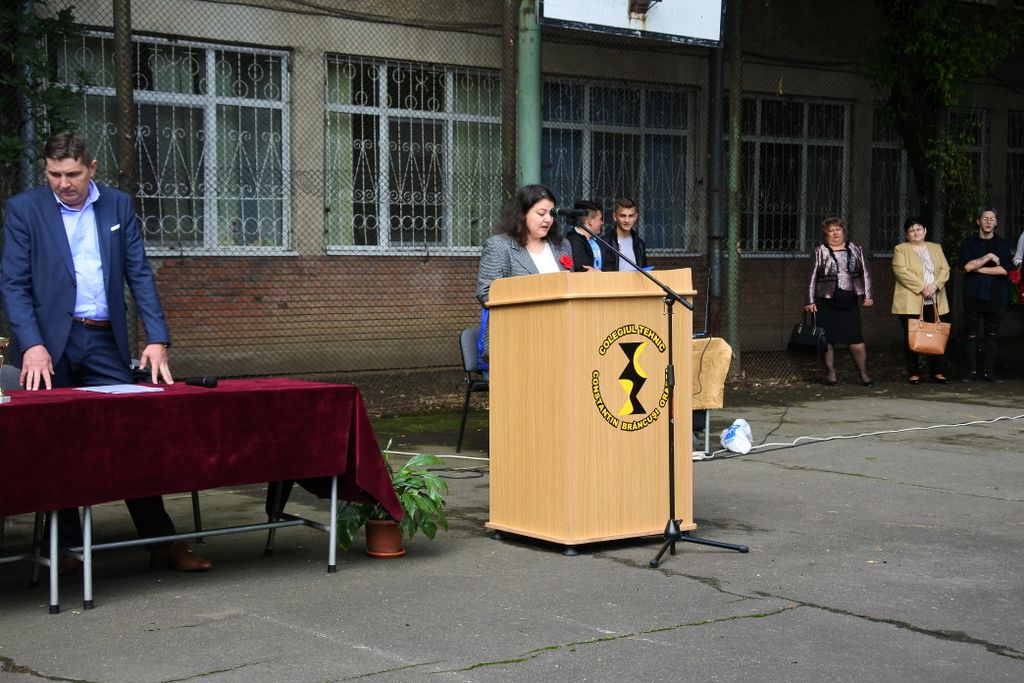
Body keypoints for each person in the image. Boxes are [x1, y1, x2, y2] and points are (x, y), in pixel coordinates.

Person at [1, 131, 211, 572]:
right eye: (54, 174)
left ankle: (161, 542)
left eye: (72, 174)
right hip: (46, 348)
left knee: (130, 438)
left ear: (92, 168)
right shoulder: (24, 209)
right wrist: (33, 345)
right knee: (54, 443)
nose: (63, 183)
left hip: (103, 341)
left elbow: (139, 272)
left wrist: (157, 338)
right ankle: (65, 550)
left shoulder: (117, 205)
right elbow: (13, 284)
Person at [475, 184, 573, 361]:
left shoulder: (562, 245)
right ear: (523, 213)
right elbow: (486, 293)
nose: (548, 219)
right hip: (514, 341)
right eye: (541, 213)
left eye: (551, 213)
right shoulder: (499, 246)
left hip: (560, 339)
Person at [805, 217, 874, 386]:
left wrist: (868, 295)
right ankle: (831, 372)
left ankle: (864, 373)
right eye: (831, 230)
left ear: (843, 231)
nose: (835, 233)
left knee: (856, 339)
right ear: (826, 233)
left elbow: (865, 272)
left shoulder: (856, 249)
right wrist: (809, 300)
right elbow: (812, 277)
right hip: (825, 302)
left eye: (838, 229)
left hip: (849, 302)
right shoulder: (819, 251)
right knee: (826, 340)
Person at [891, 219, 951, 384]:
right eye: (912, 230)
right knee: (912, 336)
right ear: (907, 234)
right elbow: (901, 271)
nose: (916, 232)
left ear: (925, 230)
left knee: (937, 334)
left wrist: (935, 286)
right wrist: (923, 288)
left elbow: (945, 269)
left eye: (919, 229)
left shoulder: (936, 247)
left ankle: (937, 372)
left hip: (936, 300)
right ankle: (914, 373)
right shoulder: (901, 249)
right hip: (911, 301)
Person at [959, 206, 1011, 383]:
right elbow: (966, 267)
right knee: (970, 335)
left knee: (991, 336)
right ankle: (971, 372)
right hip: (972, 295)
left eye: (992, 219)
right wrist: (988, 256)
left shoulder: (1002, 244)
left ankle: (989, 372)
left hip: (996, 296)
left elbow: (1003, 270)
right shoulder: (968, 243)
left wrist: (977, 268)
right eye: (985, 218)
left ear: (996, 223)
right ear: (978, 221)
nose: (988, 222)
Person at [603, 196, 647, 272]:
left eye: (631, 216)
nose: (627, 220)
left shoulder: (639, 243)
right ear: (615, 216)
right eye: (622, 216)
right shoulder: (605, 242)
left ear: (635, 217)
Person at [563, 200, 609, 272]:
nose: (602, 222)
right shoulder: (573, 240)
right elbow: (582, 268)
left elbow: (609, 264)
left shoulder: (597, 241)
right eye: (600, 219)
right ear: (590, 221)